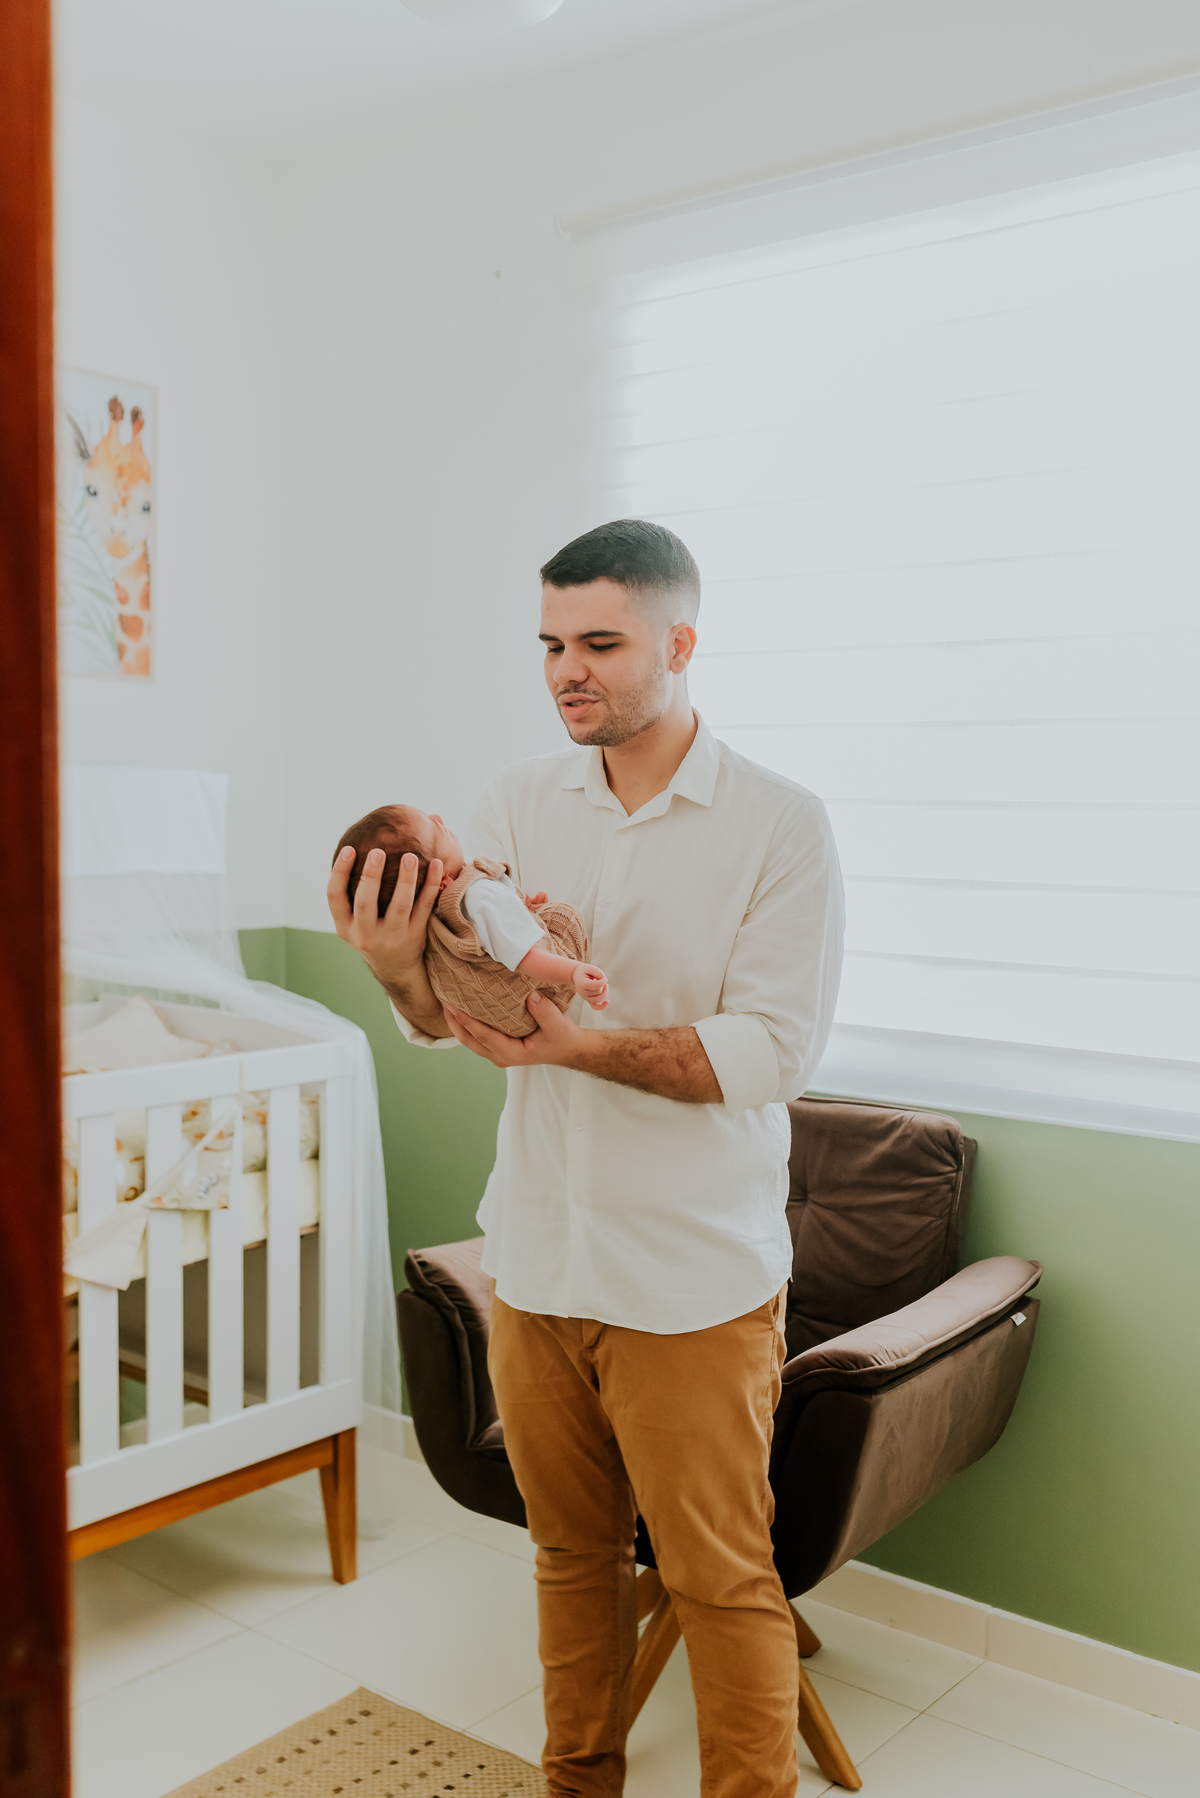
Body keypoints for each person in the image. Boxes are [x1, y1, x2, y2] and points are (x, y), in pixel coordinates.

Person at [327, 518, 845, 1798]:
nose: (570, 669)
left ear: (677, 643)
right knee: (567, 1556)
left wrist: (570, 1047)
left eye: (601, 643)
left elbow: (769, 1056)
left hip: (692, 1280)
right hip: (541, 1261)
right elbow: (458, 1007)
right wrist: (398, 970)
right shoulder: (509, 803)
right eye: (552, 644)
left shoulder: (780, 825)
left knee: (722, 1579)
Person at [332, 803, 609, 1034]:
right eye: (436, 830)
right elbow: (523, 953)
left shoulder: (436, 919)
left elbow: (485, 935)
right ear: (439, 879)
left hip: (499, 1017)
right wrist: (572, 972)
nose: (439, 818)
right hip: (542, 992)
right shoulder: (478, 894)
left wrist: (516, 909)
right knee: (564, 915)